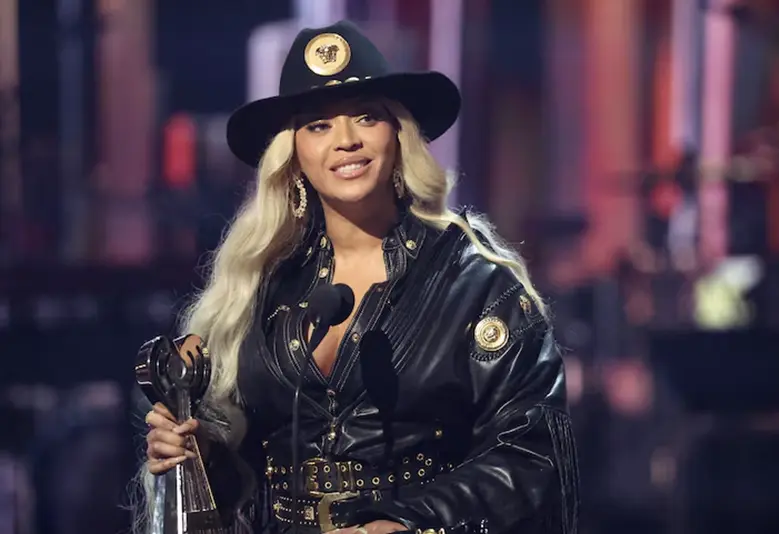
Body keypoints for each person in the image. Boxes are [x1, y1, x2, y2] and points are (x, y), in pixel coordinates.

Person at [135, 20, 579, 534]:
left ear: (398, 135)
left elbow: (533, 457)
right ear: (293, 153)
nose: (345, 141)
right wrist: (199, 454)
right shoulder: (259, 284)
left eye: (366, 117)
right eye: (318, 125)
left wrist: (404, 523)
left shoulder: (476, 284)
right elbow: (251, 470)